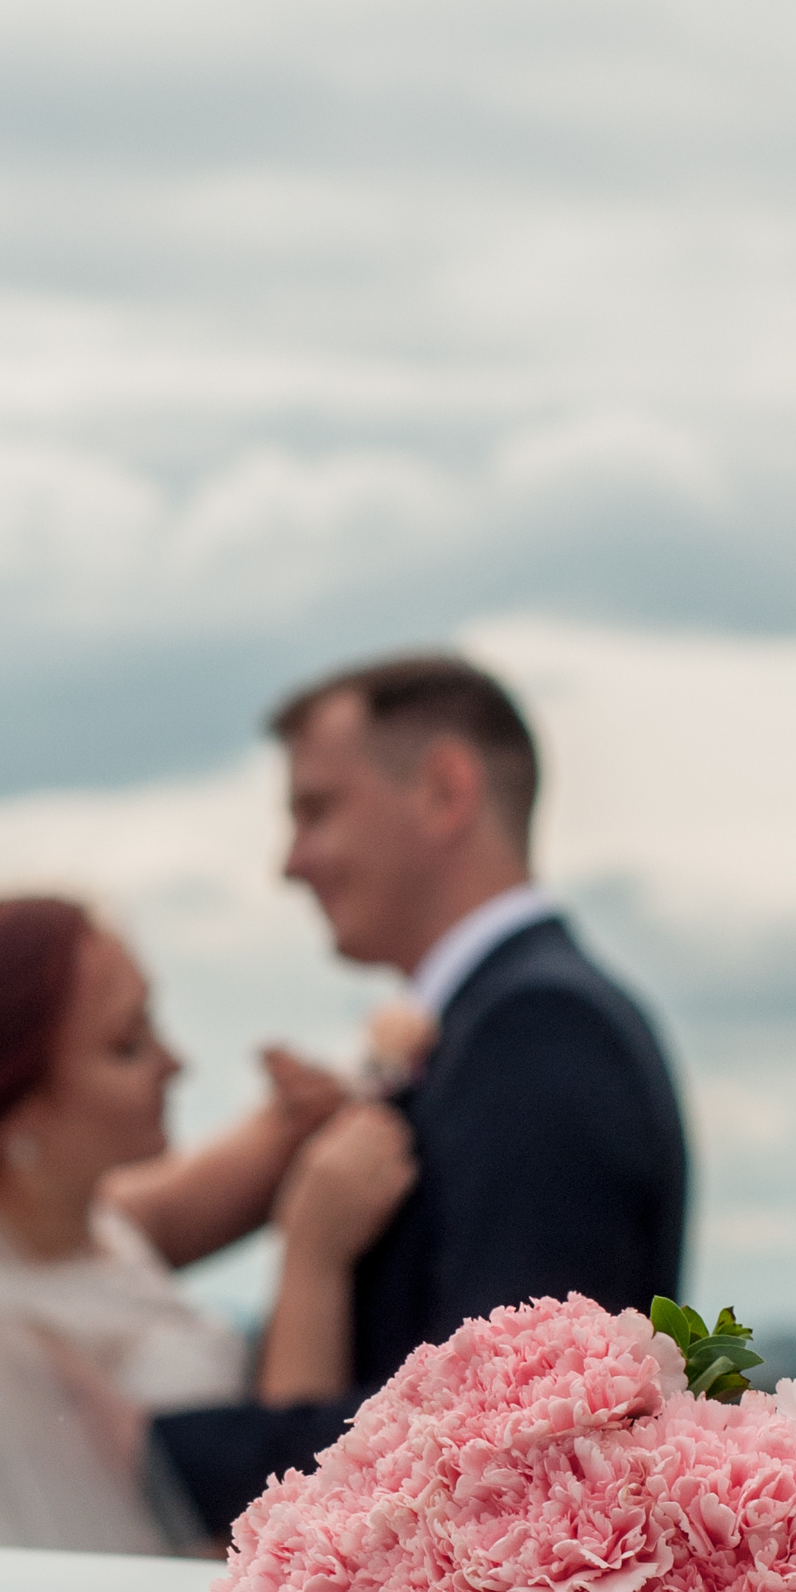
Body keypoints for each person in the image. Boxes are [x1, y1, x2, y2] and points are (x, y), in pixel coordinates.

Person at [151, 651, 689, 1539]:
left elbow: (506, 1443)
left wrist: (135, 1450)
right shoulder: (495, 1025)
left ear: (445, 791)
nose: (291, 863)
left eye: (317, 810)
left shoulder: (543, 1033)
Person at [0, 895, 362, 1552]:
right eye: (127, 1045)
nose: (175, 1065)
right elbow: (268, 1558)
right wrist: (314, 1265)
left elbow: (254, 1159)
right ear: (21, 1115)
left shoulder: (94, 1227)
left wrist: (366, 1075)